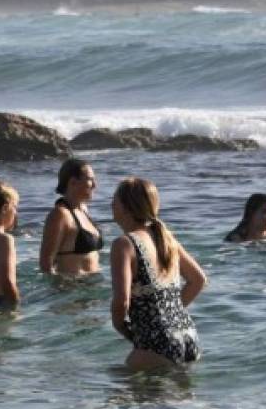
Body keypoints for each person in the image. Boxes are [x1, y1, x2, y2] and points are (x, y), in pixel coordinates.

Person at [109, 177, 206, 370]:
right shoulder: (166, 238)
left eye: (115, 200)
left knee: (125, 396)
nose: (110, 204)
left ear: (127, 207)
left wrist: (124, 329)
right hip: (188, 335)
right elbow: (198, 280)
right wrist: (169, 314)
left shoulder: (125, 244)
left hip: (155, 343)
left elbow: (122, 301)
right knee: (177, 397)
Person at [39, 158, 104, 275]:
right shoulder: (60, 215)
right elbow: (46, 263)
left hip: (91, 287)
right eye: (90, 180)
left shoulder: (83, 209)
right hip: (71, 287)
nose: (95, 185)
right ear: (73, 182)